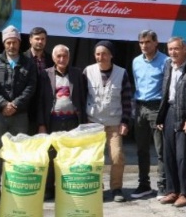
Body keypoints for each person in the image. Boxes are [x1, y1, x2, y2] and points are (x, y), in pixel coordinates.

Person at [0, 25, 38, 198]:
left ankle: (15, 186)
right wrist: (3, 105)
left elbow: (31, 87)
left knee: (19, 152)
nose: (12, 46)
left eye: (15, 42)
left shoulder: (28, 63)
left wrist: (15, 104)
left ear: (19, 42)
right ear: (4, 43)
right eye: (8, 42)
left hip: (20, 116)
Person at [155, 37, 186, 208]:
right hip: (169, 112)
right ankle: (172, 191)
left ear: (185, 49)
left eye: (176, 49)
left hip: (185, 115)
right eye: (170, 49)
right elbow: (165, 91)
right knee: (168, 155)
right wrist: (161, 118)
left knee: (182, 157)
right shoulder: (169, 65)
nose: (173, 52)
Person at [83, 40, 132, 203]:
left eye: (104, 53)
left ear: (111, 55)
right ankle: (97, 187)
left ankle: (116, 188)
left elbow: (126, 100)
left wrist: (125, 122)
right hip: (93, 123)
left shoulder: (122, 73)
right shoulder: (88, 71)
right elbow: (82, 97)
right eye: (97, 54)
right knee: (94, 158)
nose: (100, 57)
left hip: (114, 123)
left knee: (117, 156)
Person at [37, 44, 87, 200]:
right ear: (53, 58)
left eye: (65, 56)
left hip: (73, 121)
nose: (62, 59)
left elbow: (83, 97)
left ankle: (68, 186)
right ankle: (49, 189)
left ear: (69, 57)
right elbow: (40, 102)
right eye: (58, 56)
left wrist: (83, 123)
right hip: (53, 121)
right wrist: (41, 124)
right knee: (51, 156)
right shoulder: (45, 75)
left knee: (71, 155)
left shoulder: (77, 74)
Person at [131, 30, 167, 200]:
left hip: (157, 107)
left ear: (156, 42)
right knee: (141, 149)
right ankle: (143, 184)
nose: (144, 46)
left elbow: (167, 89)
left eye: (147, 42)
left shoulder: (165, 61)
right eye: (141, 43)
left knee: (161, 149)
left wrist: (163, 112)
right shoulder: (136, 61)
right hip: (140, 107)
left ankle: (163, 185)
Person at [25, 27, 53, 135]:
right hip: (27, 108)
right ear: (30, 40)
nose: (40, 42)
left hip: (46, 108)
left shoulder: (51, 59)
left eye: (43, 39)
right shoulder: (22, 59)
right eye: (37, 39)